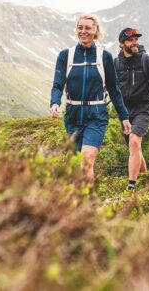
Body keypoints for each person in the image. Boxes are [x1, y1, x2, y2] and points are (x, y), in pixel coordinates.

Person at [50, 14, 131, 184]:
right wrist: (55, 102)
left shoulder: (104, 57)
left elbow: (114, 90)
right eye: (80, 27)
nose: (83, 31)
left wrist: (124, 116)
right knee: (78, 164)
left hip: (96, 116)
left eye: (88, 28)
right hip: (73, 116)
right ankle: (82, 202)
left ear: (96, 31)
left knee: (87, 158)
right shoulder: (66, 56)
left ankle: (89, 205)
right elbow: (58, 85)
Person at [114, 27, 149, 191]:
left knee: (134, 141)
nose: (135, 42)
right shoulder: (116, 64)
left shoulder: (147, 61)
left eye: (136, 39)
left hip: (144, 108)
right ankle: (147, 182)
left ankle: (131, 188)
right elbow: (109, 86)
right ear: (122, 44)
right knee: (134, 148)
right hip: (124, 112)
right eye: (131, 40)